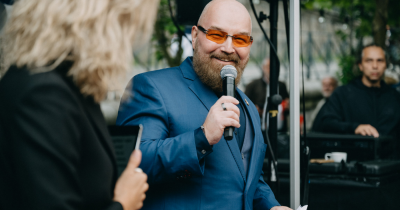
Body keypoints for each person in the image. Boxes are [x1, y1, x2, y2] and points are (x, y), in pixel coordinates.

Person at [117, 1, 291, 209]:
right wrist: (202, 138)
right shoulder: (151, 87)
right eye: (217, 35)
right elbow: (132, 165)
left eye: (240, 39)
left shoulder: (248, 106)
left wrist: (271, 205)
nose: (228, 48)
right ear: (195, 36)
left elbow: (246, 178)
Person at [0, 0, 159, 209]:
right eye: (126, 26)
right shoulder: (44, 93)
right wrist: (123, 203)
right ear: (102, 24)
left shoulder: (65, 84)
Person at [319, 44, 400, 138]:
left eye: (380, 60)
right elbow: (326, 123)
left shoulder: (395, 97)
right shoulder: (342, 94)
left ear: (385, 65)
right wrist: (354, 128)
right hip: (354, 151)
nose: (375, 66)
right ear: (360, 65)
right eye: (369, 61)